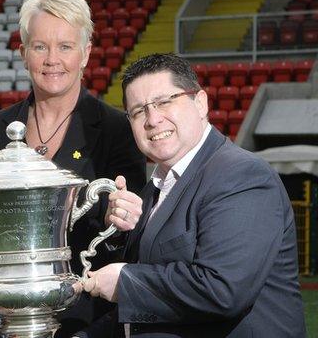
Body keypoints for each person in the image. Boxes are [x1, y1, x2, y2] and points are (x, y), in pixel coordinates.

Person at [77, 53, 306, 337]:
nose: (152, 119)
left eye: (164, 102)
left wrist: (125, 281)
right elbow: (146, 307)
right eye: (138, 111)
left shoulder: (242, 176)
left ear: (201, 103)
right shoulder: (154, 189)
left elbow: (222, 290)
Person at [0, 0, 147, 336]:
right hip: (11, 313)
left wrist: (123, 216)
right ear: (23, 53)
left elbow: (128, 236)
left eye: (65, 46)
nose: (52, 59)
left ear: (85, 54)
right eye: (40, 46)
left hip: (90, 317)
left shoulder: (117, 128)